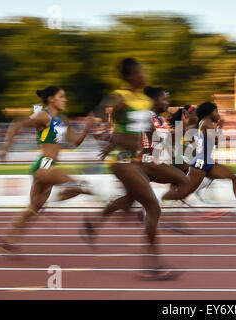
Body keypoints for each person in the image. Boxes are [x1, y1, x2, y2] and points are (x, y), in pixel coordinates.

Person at [83, 58, 177, 280]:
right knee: (153, 206)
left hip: (135, 159)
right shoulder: (119, 96)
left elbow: (142, 133)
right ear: (130, 76)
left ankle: (94, 222)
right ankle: (151, 264)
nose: (144, 75)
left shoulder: (145, 100)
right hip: (120, 160)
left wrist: (148, 149)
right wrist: (111, 135)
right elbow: (104, 119)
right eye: (140, 71)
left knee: (128, 200)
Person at [0, 86, 95, 253]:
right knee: (78, 184)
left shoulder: (63, 120)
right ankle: (62, 194)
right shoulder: (44, 116)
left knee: (33, 208)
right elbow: (18, 123)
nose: (66, 100)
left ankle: (7, 240)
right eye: (61, 96)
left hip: (50, 165)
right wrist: (6, 146)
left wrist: (86, 128)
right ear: (51, 99)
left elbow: (75, 142)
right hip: (45, 163)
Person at [162, 102, 236, 222]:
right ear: (209, 113)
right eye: (216, 111)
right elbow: (217, 140)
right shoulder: (207, 123)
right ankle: (157, 199)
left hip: (209, 162)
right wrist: (222, 126)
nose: (218, 114)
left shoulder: (204, 124)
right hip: (201, 163)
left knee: (235, 178)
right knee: (182, 193)